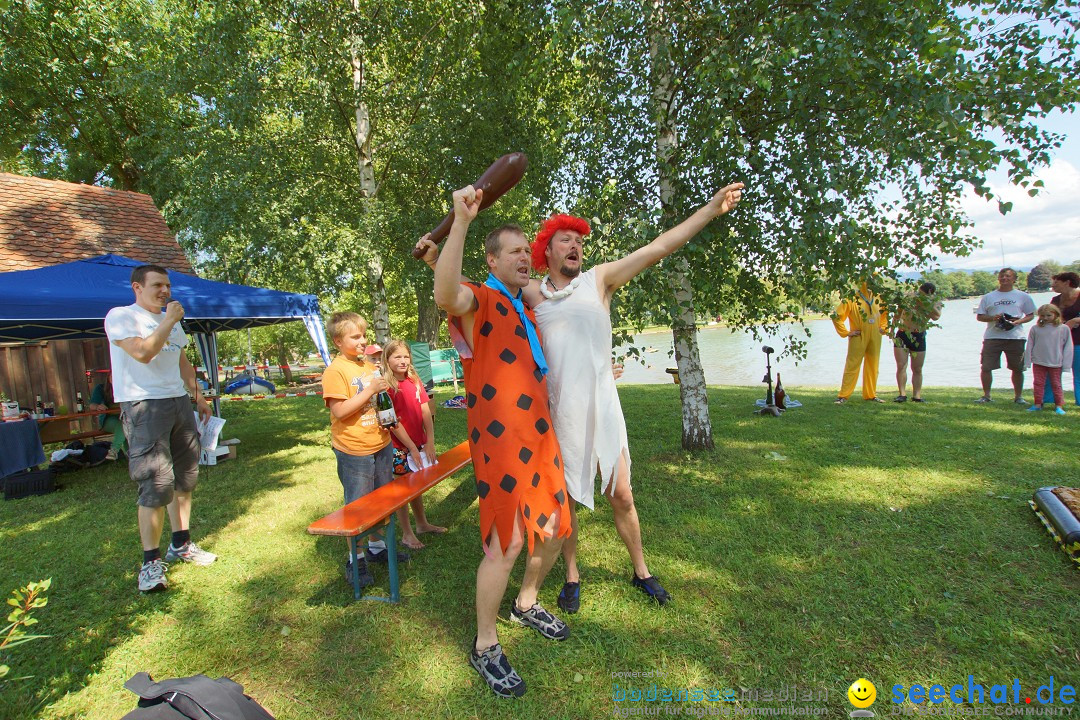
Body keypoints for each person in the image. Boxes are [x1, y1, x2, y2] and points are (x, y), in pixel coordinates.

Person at [433, 185, 572, 699]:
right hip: (500, 446)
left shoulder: (525, 309)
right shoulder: (484, 300)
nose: (524, 258)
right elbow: (447, 294)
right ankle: (485, 644)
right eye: (514, 251)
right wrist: (460, 222)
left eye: (524, 252)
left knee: (555, 528)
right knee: (507, 542)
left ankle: (527, 602)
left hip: (540, 440)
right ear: (492, 260)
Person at [104, 264, 215, 593]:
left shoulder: (172, 322)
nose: (165, 290)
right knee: (155, 483)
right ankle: (150, 563)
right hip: (143, 405)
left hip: (178, 401)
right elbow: (143, 352)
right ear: (137, 287)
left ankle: (181, 543)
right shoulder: (121, 316)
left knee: (185, 479)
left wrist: (199, 396)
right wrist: (168, 319)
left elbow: (180, 359)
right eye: (157, 285)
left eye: (167, 285)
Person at [321, 312, 409, 589]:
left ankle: (376, 546)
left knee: (381, 501)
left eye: (364, 335)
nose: (362, 341)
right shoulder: (336, 371)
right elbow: (340, 410)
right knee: (358, 506)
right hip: (354, 449)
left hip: (380, 443)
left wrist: (388, 417)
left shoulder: (368, 366)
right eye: (355, 337)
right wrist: (370, 390)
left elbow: (380, 403)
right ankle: (355, 557)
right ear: (338, 341)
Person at [381, 339, 447, 549]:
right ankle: (407, 534)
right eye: (397, 357)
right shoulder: (386, 386)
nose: (402, 361)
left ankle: (422, 524)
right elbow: (391, 421)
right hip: (399, 448)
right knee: (402, 490)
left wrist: (429, 440)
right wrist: (409, 446)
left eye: (405, 356)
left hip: (419, 443)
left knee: (416, 485)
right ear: (387, 359)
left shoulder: (414, 379)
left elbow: (425, 409)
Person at [974, 268, 1036, 404]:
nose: (1004, 278)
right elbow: (980, 316)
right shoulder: (989, 297)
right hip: (992, 336)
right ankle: (986, 395)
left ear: (1014, 279)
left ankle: (1018, 397)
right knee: (986, 367)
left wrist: (1018, 321)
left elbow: (1031, 315)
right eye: (1002, 276)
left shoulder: (1023, 296)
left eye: (1008, 276)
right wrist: (993, 318)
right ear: (998, 279)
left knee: (1018, 368)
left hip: (1015, 337)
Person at [833, 281, 890, 404]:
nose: (873, 284)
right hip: (858, 336)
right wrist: (846, 332)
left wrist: (883, 328)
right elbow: (836, 316)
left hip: (875, 336)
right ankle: (843, 395)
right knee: (852, 365)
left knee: (873, 365)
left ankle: (870, 395)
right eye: (871, 281)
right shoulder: (851, 299)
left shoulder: (879, 299)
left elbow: (885, 315)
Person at [892, 282, 943, 403]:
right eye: (919, 293)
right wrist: (891, 329)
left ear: (930, 293)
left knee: (917, 368)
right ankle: (902, 394)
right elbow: (898, 313)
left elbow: (936, 316)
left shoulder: (935, 302)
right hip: (903, 333)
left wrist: (925, 303)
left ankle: (917, 396)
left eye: (923, 294)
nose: (919, 295)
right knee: (901, 365)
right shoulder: (909, 298)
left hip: (919, 334)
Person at [1024, 304, 1074, 415]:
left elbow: (1068, 347)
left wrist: (1066, 365)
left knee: (1056, 384)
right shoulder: (1035, 329)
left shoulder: (1063, 328)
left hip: (1056, 362)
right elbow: (1029, 346)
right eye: (1042, 315)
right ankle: (1037, 404)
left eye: (1048, 315)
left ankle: (1059, 406)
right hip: (1038, 361)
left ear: (1056, 315)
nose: (1045, 318)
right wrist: (1027, 362)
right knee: (1038, 383)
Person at [1047, 272, 1080, 405]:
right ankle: (1048, 400)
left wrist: (1073, 321)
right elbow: (1050, 317)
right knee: (1052, 372)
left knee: (1078, 374)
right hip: (1058, 342)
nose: (1053, 285)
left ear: (1067, 283)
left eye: (1056, 282)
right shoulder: (1055, 300)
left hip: (1078, 342)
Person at [87, 373, 127, 460]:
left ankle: (131, 456)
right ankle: (114, 450)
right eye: (113, 376)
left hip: (126, 418)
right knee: (123, 425)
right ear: (108, 377)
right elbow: (92, 405)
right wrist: (98, 406)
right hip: (108, 419)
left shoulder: (127, 387)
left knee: (128, 425)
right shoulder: (100, 388)